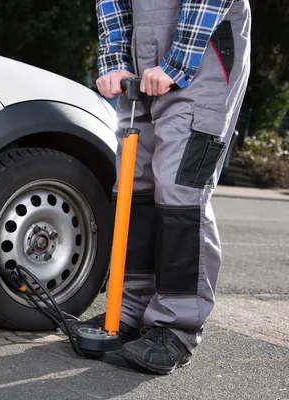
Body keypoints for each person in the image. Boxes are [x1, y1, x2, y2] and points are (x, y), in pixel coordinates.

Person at [72, 0, 251, 374]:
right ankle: (130, 312)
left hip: (204, 50)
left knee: (179, 188)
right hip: (143, 53)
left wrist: (177, 65)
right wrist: (114, 60)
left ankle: (176, 327)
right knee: (135, 187)